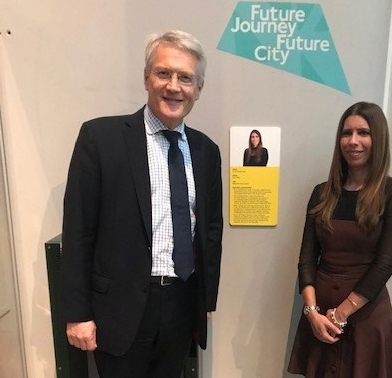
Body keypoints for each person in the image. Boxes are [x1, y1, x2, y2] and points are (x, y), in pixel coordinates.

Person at [60, 30, 223, 378]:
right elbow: (78, 230)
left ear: (198, 88)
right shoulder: (100, 139)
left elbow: (210, 232)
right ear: (146, 77)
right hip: (117, 309)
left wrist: (205, 300)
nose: (174, 86)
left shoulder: (207, 151)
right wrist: (77, 313)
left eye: (185, 78)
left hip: (181, 304)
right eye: (164, 73)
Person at [287, 102, 392, 378]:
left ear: (377, 139)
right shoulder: (321, 193)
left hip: (365, 316)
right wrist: (311, 313)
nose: (353, 141)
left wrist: (338, 315)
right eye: (346, 133)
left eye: (363, 133)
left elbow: (384, 266)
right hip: (319, 317)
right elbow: (306, 259)